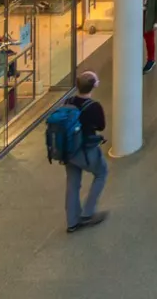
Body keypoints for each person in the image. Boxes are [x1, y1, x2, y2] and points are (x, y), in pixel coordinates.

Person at [61, 70, 107, 232]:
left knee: (72, 183)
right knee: (101, 173)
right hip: (86, 151)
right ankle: (88, 213)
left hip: (68, 150)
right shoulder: (94, 107)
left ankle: (72, 222)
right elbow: (101, 126)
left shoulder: (68, 101)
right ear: (93, 86)